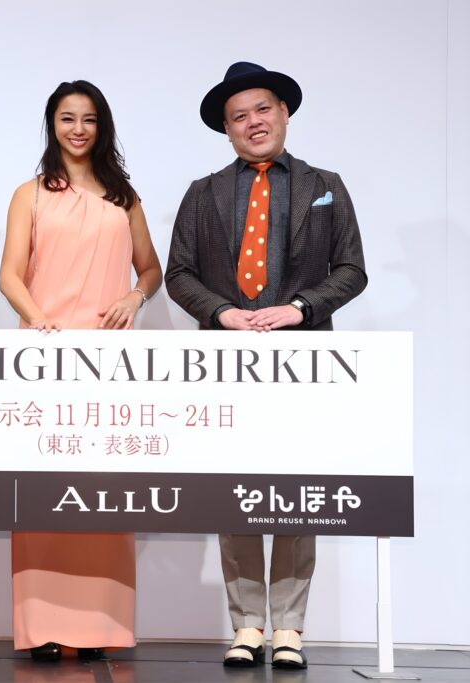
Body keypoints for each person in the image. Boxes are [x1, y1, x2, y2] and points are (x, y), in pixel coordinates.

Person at [165, 62, 368, 669]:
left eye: (262, 109)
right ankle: (247, 625)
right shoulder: (202, 193)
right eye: (239, 116)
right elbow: (179, 274)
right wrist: (222, 312)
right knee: (236, 492)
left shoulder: (325, 184)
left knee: (296, 493)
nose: (252, 122)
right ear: (226, 129)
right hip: (225, 361)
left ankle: (290, 629)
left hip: (304, 361)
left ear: (284, 113)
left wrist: (299, 308)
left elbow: (351, 270)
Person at [0, 80, 163, 661]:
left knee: (103, 493)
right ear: (52, 123)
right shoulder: (30, 195)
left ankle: (99, 627)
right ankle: (41, 627)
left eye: (88, 119)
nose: (78, 129)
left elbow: (151, 269)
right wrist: (38, 319)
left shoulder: (124, 198)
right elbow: (9, 275)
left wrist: (134, 298)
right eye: (67, 118)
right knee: (40, 494)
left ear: (102, 126)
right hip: (43, 359)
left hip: (108, 362)